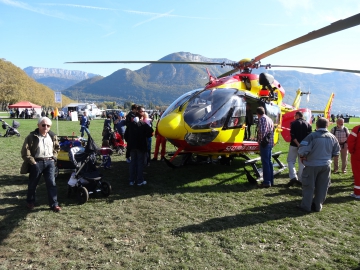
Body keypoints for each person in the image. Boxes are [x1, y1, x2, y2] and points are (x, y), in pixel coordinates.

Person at [297, 117, 340, 212]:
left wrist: (303, 156)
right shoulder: (333, 137)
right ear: (327, 125)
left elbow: (302, 150)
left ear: (316, 125)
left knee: (308, 186)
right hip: (326, 165)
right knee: (323, 186)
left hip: (312, 165)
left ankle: (306, 206)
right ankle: (318, 206)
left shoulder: (311, 136)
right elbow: (336, 152)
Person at [20, 117, 61, 212]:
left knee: (52, 184)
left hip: (50, 163)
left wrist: (54, 157)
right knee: (33, 184)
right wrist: (33, 162)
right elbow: (25, 152)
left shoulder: (52, 136)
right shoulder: (31, 137)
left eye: (48, 125)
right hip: (37, 163)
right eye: (43, 125)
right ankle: (30, 202)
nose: (45, 127)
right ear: (38, 125)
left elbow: (57, 148)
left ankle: (54, 204)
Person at [124, 113, 154, 186]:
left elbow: (125, 136)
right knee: (140, 163)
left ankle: (131, 180)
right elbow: (151, 132)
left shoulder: (130, 125)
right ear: (141, 118)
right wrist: (145, 136)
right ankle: (140, 180)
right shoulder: (143, 124)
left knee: (132, 162)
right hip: (141, 146)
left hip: (131, 147)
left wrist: (130, 141)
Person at [287, 111, 312, 187]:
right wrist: (302, 145)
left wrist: (298, 144)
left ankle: (293, 177)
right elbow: (309, 137)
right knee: (301, 162)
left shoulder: (293, 123)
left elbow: (293, 136)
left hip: (294, 145)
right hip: (304, 146)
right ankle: (301, 179)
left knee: (291, 161)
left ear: (297, 115)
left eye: (295, 116)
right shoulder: (308, 124)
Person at [256, 106, 274, 188]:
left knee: (265, 162)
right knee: (269, 162)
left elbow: (262, 132)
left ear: (257, 113)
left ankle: (266, 182)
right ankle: (271, 180)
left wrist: (259, 140)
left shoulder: (262, 119)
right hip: (270, 143)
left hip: (264, 144)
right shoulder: (269, 119)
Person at [347, 124, 360, 198]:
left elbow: (351, 141)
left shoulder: (357, 129)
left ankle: (358, 193)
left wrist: (352, 151)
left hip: (357, 155)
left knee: (358, 173)